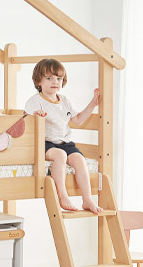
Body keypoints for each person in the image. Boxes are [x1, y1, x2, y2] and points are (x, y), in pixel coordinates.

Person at [24, 58, 102, 213]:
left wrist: (93, 104)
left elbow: (78, 120)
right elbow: (25, 121)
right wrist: (35, 116)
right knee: (60, 155)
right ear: (39, 81)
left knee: (79, 159)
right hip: (45, 143)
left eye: (58, 78)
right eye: (49, 78)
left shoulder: (64, 100)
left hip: (65, 142)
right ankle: (63, 194)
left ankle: (87, 199)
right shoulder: (35, 101)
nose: (55, 82)